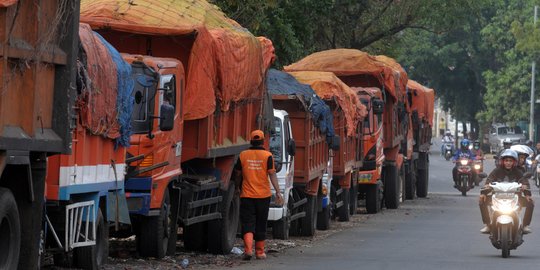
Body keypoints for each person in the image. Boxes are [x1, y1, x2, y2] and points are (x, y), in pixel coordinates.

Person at [234, 130, 283, 260]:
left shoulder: (243, 155)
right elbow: (272, 174)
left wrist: (237, 188)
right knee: (261, 223)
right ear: (262, 142)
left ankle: (248, 250)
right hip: (263, 196)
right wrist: (278, 192)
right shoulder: (268, 156)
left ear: (251, 141)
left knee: (248, 222)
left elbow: (238, 174)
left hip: (247, 195)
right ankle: (260, 252)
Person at [479, 149, 534, 234]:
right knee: (481, 201)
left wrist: (527, 194)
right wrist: (484, 193)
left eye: (510, 161)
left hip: (515, 199)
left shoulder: (518, 172)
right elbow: (489, 180)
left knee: (530, 203)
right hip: (497, 198)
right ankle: (487, 225)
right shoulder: (496, 171)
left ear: (514, 162)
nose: (508, 163)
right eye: (506, 160)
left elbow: (524, 181)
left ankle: (525, 225)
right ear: (502, 161)